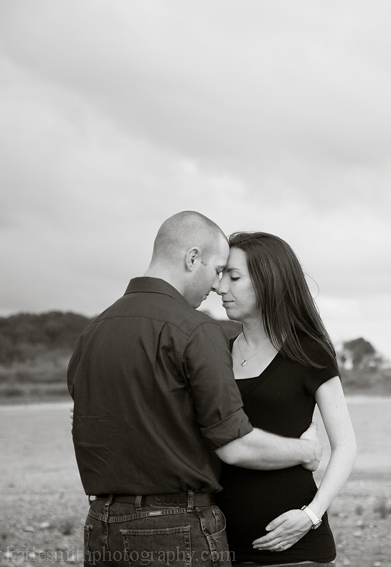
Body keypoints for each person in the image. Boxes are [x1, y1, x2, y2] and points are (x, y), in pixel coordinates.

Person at [68, 212, 323, 567]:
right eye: (218, 270)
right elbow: (233, 445)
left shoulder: (92, 334)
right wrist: (305, 451)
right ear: (192, 259)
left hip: (101, 523)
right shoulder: (194, 330)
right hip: (175, 526)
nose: (217, 286)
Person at [215, 231, 357, 565]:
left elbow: (346, 446)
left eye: (234, 277)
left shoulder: (309, 351)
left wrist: (311, 516)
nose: (221, 288)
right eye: (221, 276)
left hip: (296, 548)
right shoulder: (216, 353)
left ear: (268, 282)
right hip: (220, 545)